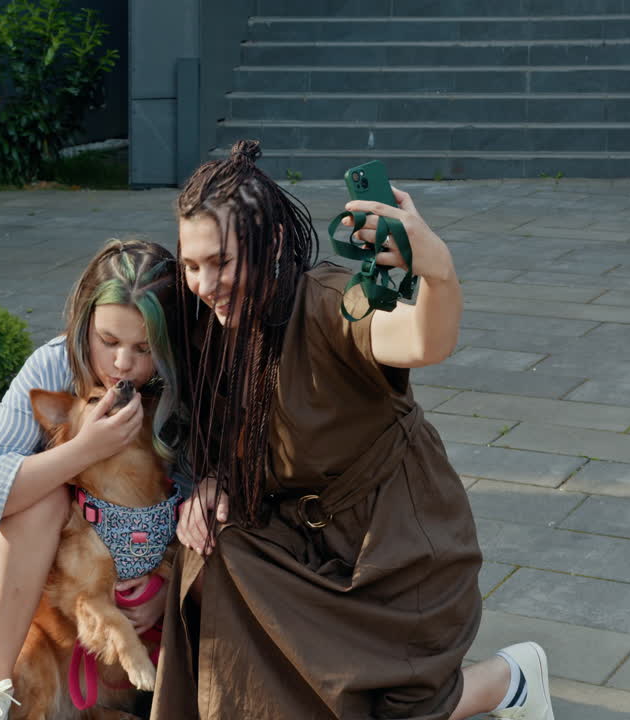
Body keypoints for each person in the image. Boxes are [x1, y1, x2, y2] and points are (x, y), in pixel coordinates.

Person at [150, 140, 555, 720]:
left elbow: (423, 341)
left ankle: (511, 679)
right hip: (300, 542)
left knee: (386, 708)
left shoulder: (332, 300)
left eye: (222, 262)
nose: (205, 283)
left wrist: (435, 266)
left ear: (275, 244)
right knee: (214, 554)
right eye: (192, 266)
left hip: (398, 547)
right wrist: (209, 483)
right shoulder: (211, 329)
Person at [0, 239, 184, 720]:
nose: (123, 364)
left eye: (143, 349)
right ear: (84, 324)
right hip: (44, 590)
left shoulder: (184, 382)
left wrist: (172, 588)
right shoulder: (53, 363)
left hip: (153, 584)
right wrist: (82, 450)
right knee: (38, 497)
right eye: (108, 341)